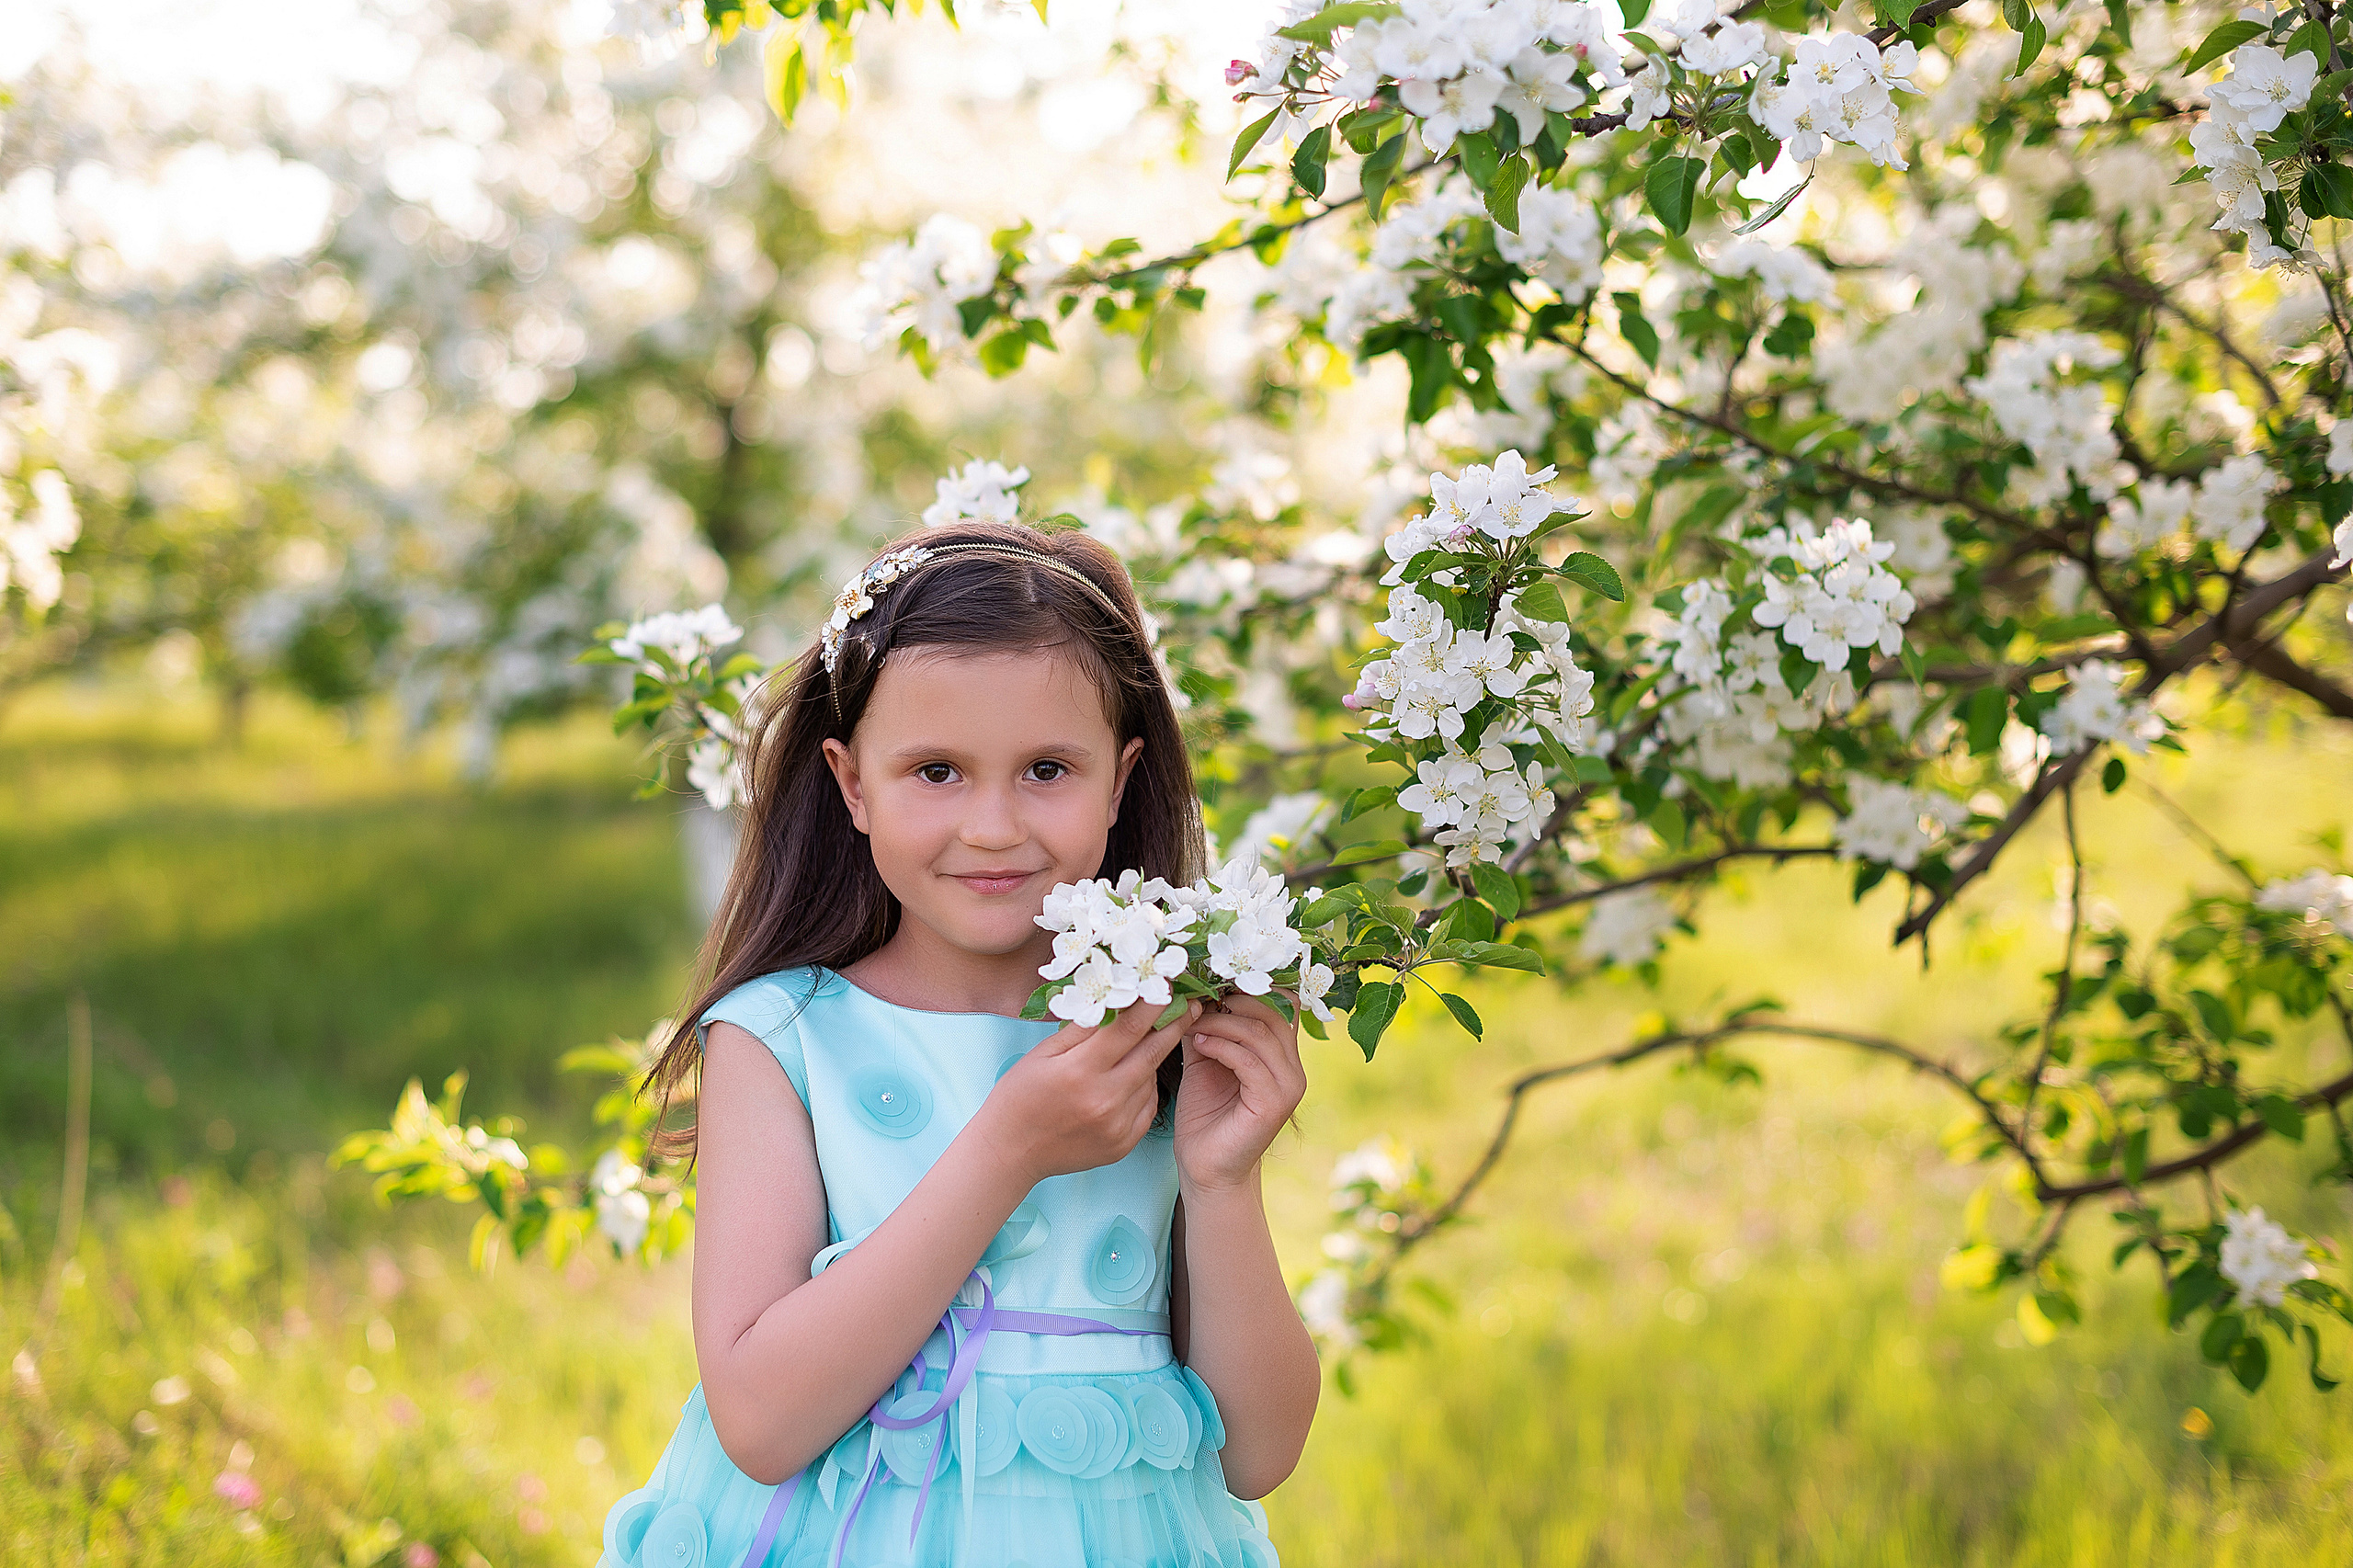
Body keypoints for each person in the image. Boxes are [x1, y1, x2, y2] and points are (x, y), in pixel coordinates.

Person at [596, 520, 1319, 1568]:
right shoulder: (783, 1038)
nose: (991, 825)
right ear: (852, 784)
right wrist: (1008, 1148)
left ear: (1120, 781)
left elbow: (1258, 1452)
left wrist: (1221, 1181)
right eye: (936, 770)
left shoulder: (1154, 1035)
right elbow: (759, 1421)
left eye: (1046, 769)